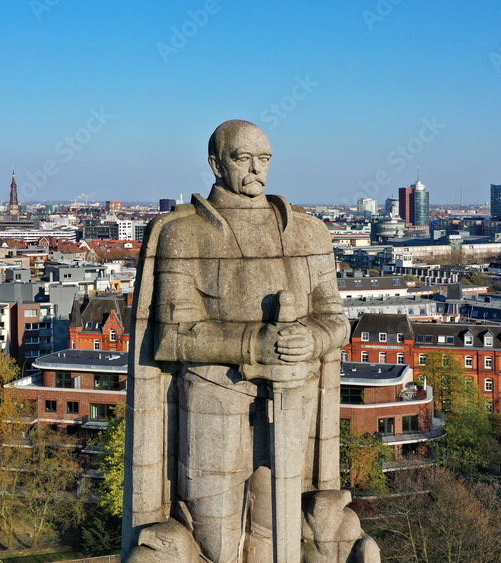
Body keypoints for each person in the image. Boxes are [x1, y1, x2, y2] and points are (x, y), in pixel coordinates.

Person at [125, 120, 366, 562]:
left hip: (294, 406)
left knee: (276, 537)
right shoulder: (184, 232)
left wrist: (309, 338)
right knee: (217, 543)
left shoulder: (309, 232)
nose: (257, 169)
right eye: (242, 158)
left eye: (265, 158)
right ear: (216, 164)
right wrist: (257, 344)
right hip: (213, 406)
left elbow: (335, 319)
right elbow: (172, 337)